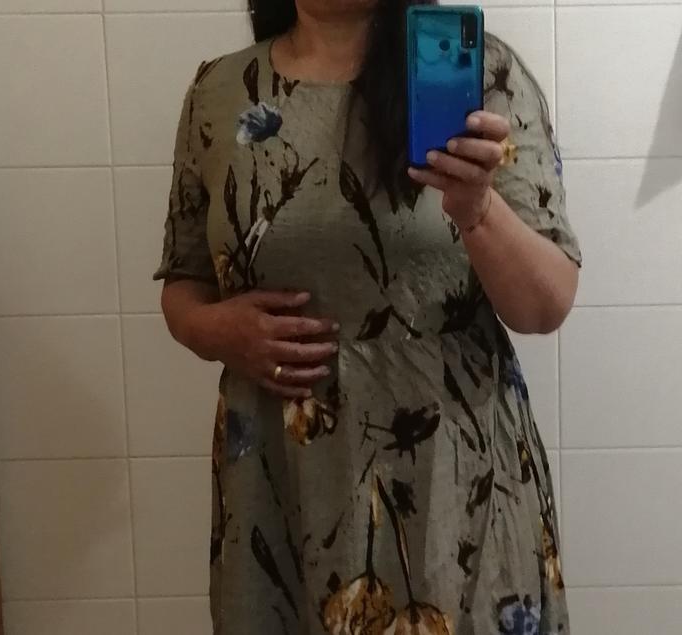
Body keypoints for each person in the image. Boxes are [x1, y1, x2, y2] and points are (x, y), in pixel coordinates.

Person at [154, 0, 581, 633]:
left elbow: (546, 305)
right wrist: (213, 330)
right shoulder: (219, 93)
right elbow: (183, 282)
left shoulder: (484, 77)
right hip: (281, 478)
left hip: (450, 482)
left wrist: (478, 208)